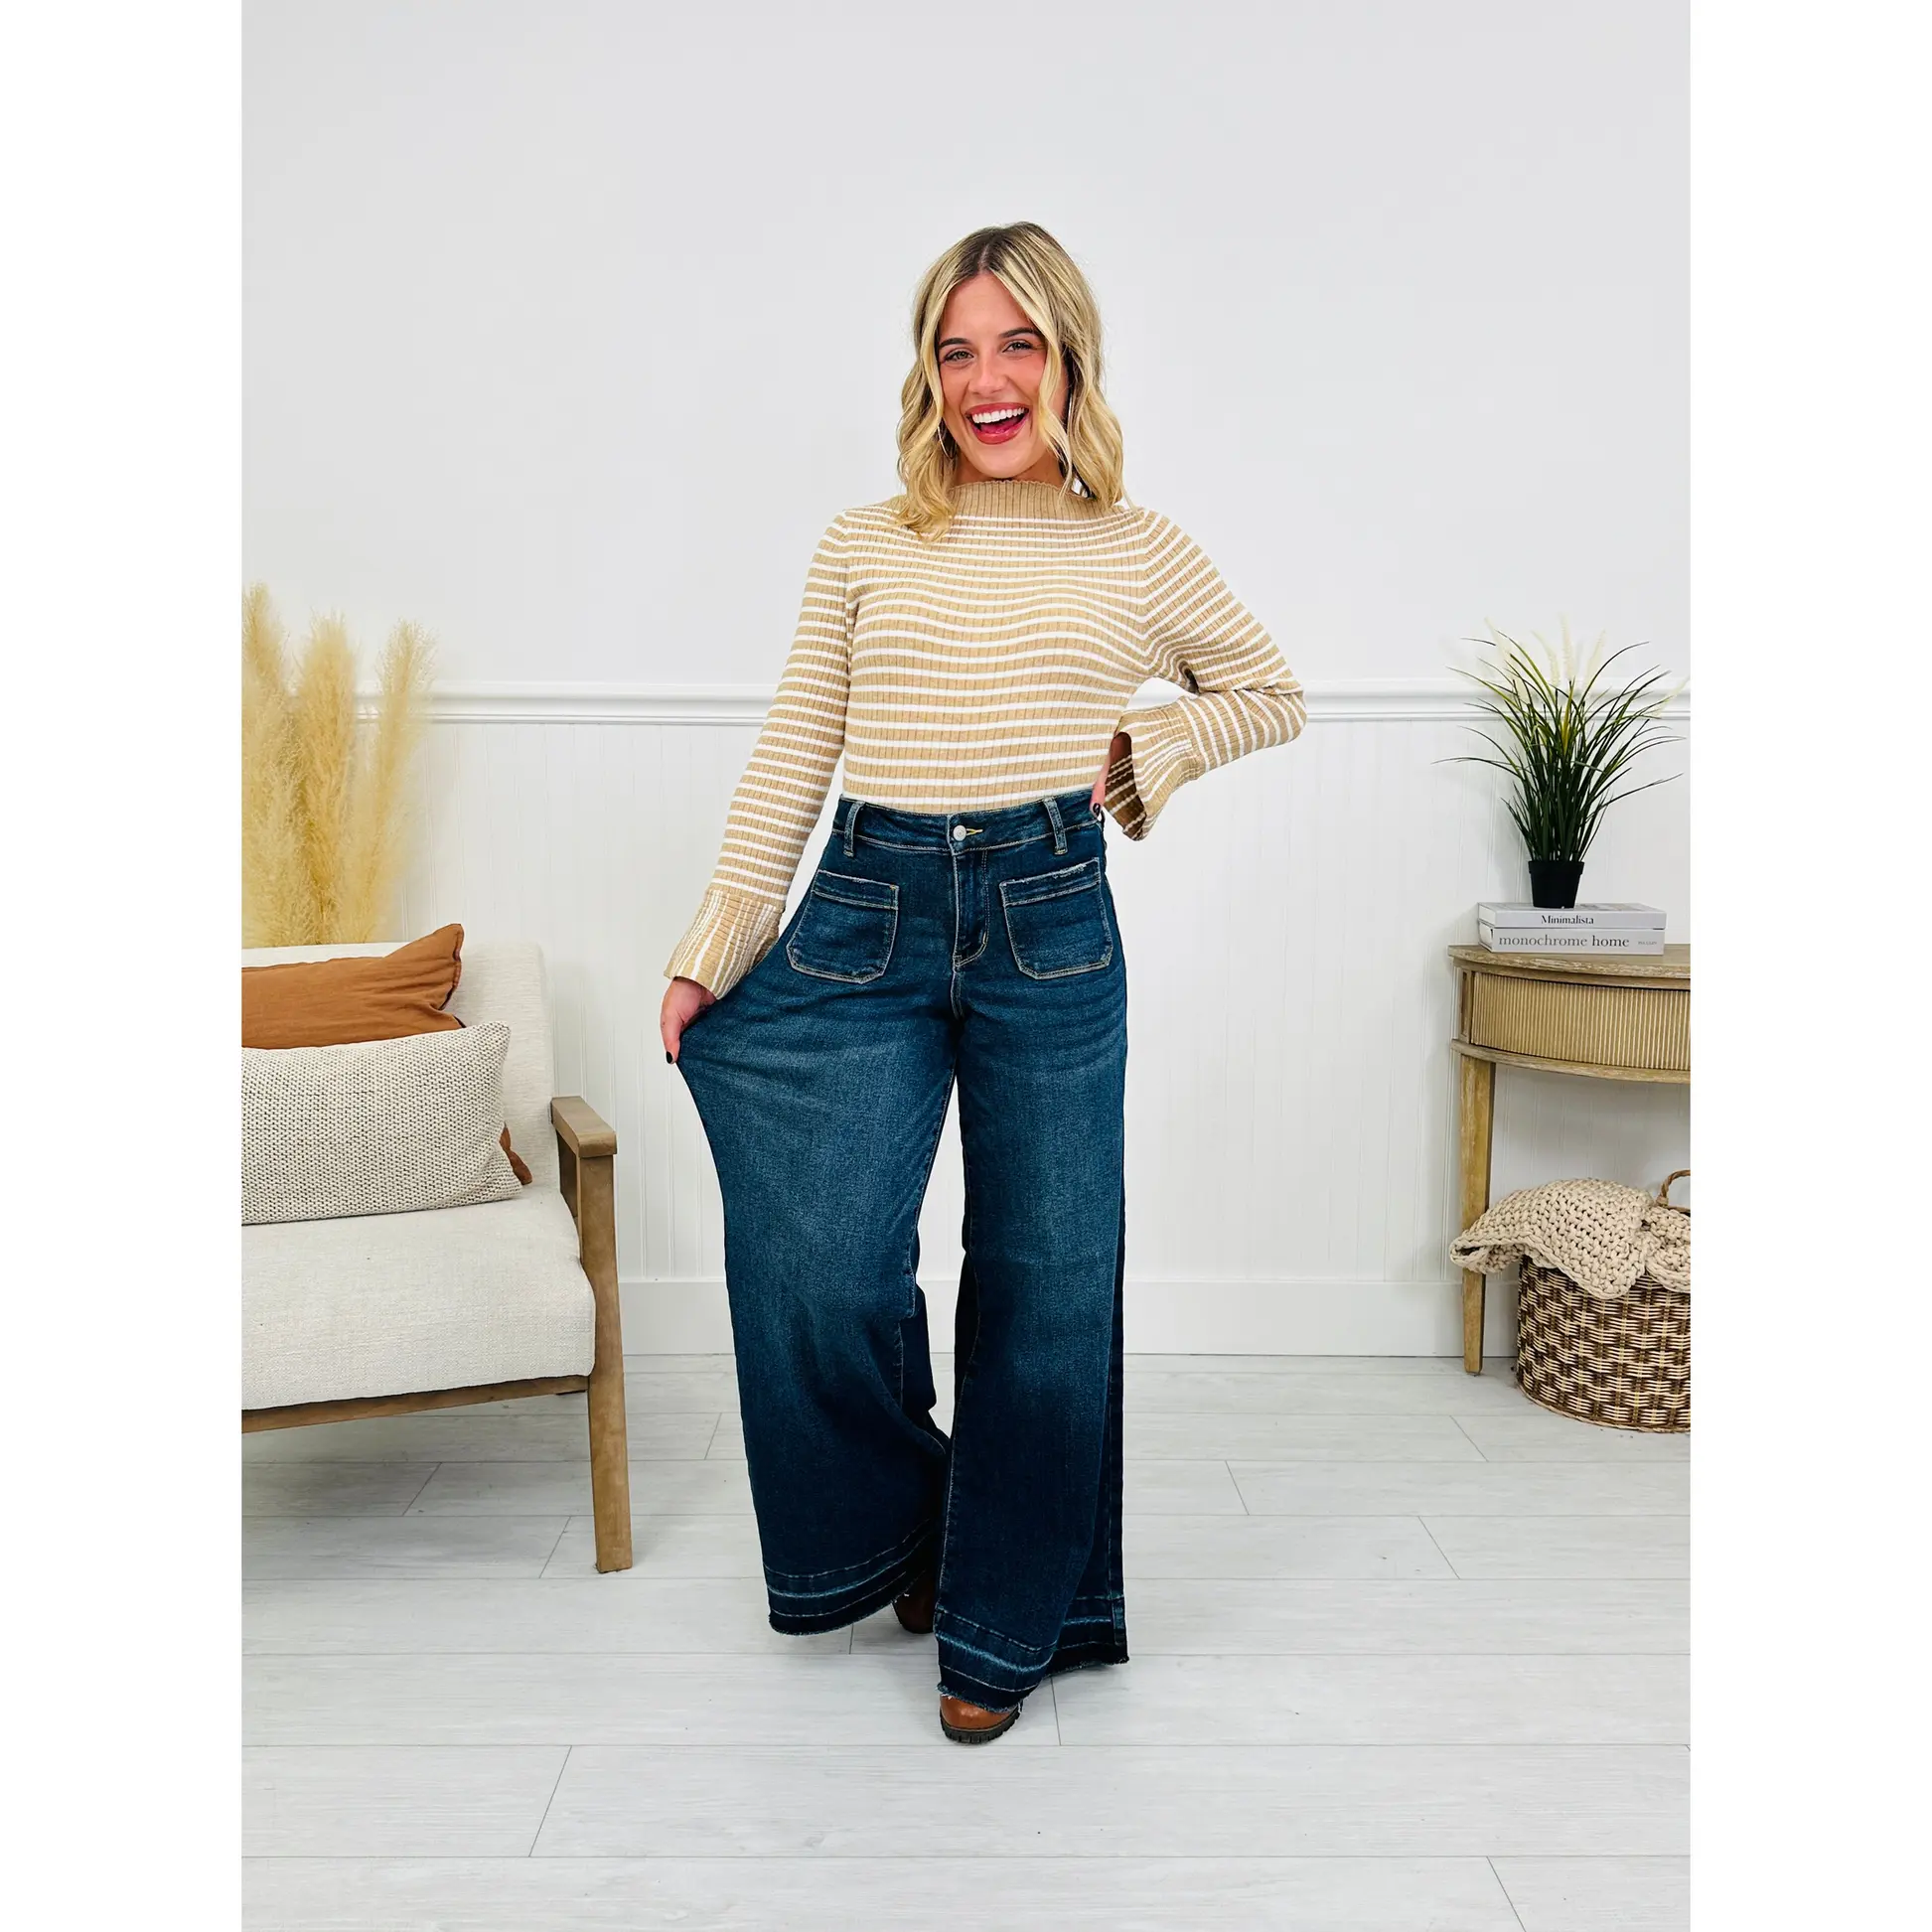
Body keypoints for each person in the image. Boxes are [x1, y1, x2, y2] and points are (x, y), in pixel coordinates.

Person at [659, 222, 1305, 1743]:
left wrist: (1148, 747)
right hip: (863, 910)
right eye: (957, 350)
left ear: (1070, 359)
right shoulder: (864, 542)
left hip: (1048, 917)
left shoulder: (1137, 547)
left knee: (1045, 1281)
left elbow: (1271, 690)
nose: (986, 379)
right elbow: (796, 746)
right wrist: (716, 944)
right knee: (819, 1266)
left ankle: (1006, 1623)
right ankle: (922, 1522)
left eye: (1018, 344)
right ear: (928, 373)